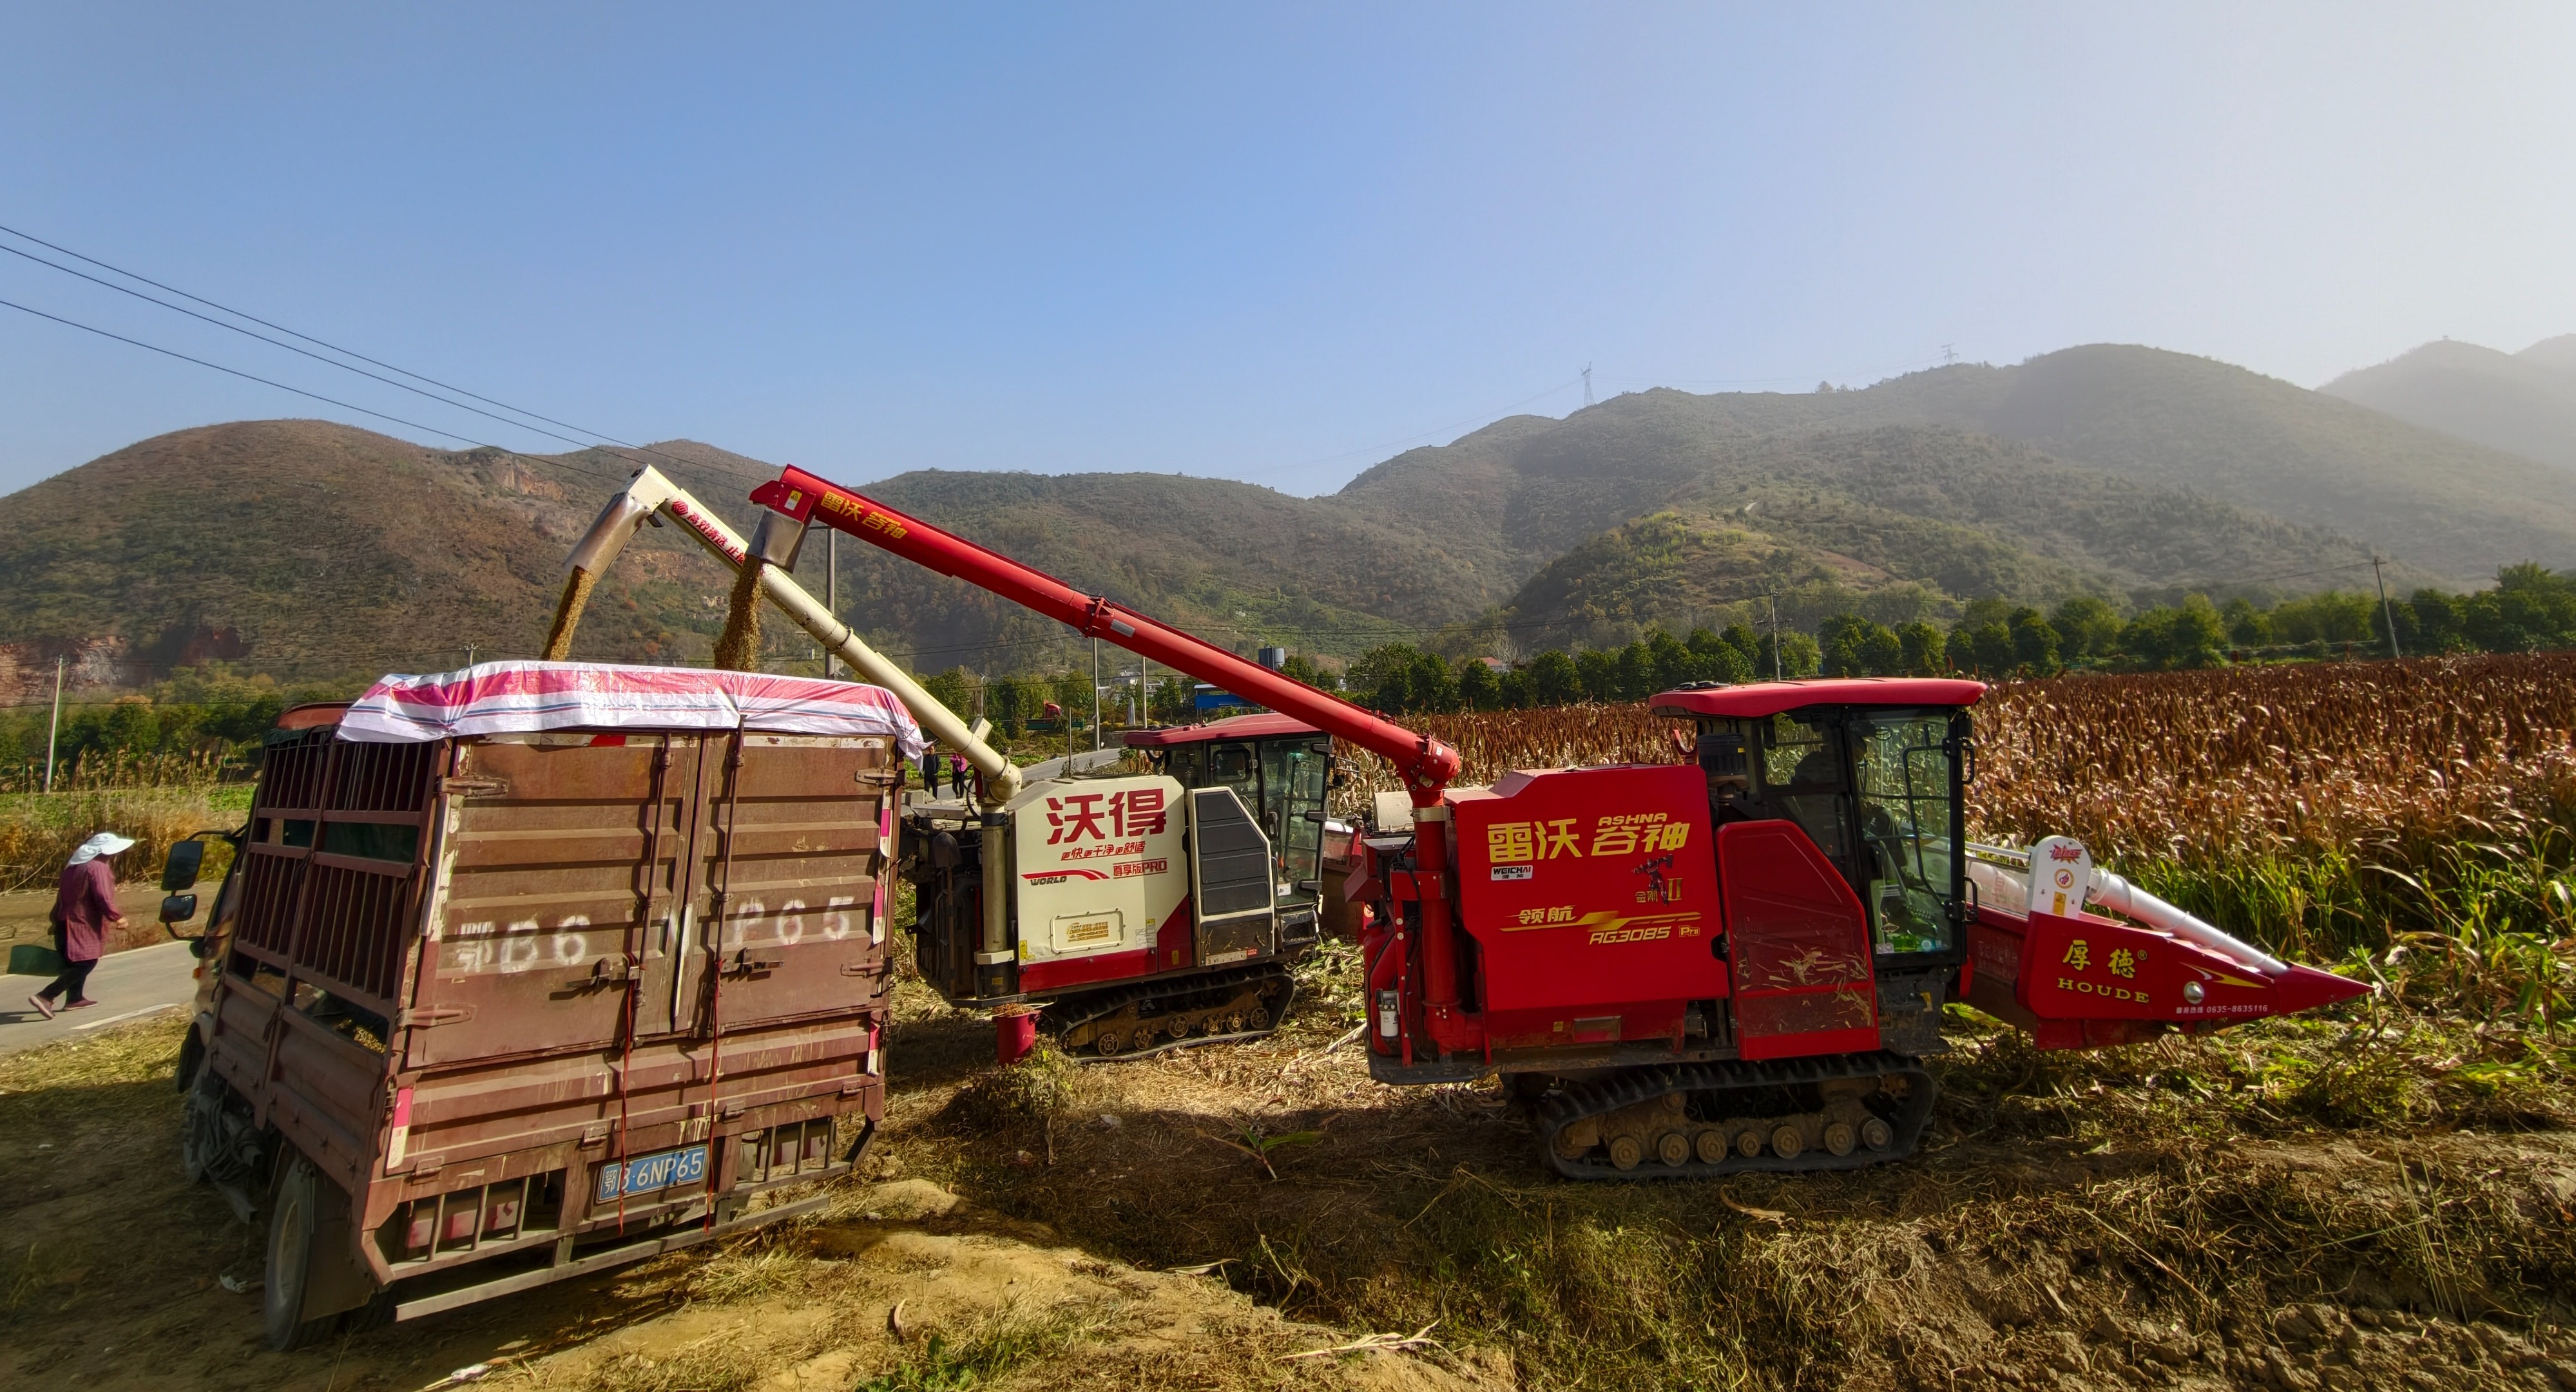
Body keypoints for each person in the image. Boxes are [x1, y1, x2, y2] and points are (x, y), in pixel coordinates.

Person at [28, 831, 131, 1020]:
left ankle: (75, 998)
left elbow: (62, 896)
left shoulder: (73, 867)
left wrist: (55, 919)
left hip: (64, 919)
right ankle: (46, 996)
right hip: (82, 922)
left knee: (75, 961)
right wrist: (117, 917)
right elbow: (103, 896)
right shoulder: (98, 868)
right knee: (86, 962)